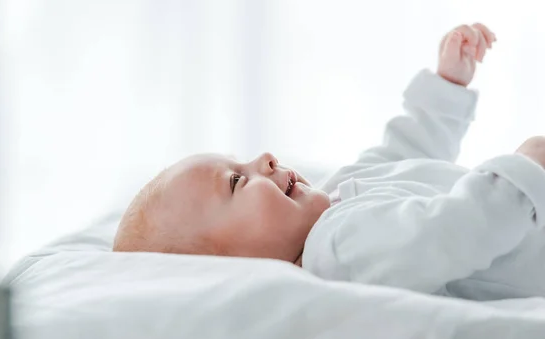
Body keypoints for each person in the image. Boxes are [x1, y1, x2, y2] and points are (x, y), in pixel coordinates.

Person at [114, 23, 545, 300]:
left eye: (241, 163)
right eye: (236, 182)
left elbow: (405, 150)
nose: (263, 159)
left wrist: (447, 86)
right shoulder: (340, 249)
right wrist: (521, 174)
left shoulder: (335, 194)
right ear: (234, 265)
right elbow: (454, 232)